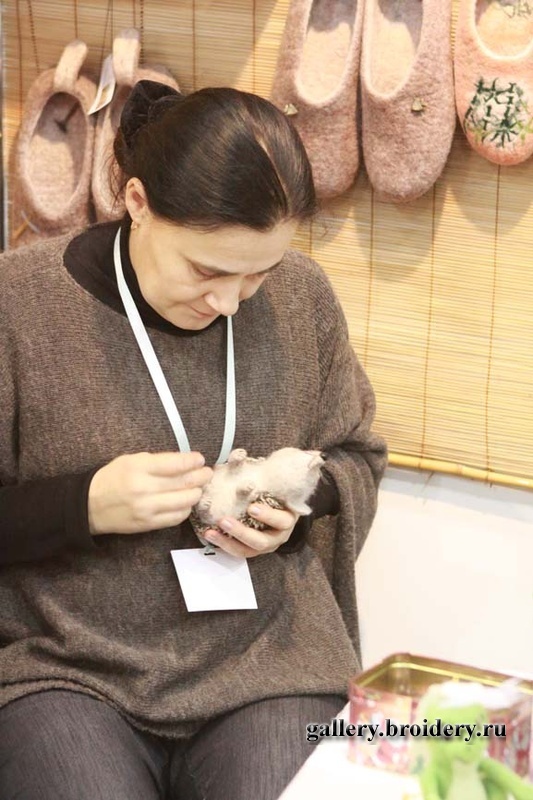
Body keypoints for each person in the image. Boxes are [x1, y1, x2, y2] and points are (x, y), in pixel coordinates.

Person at [0, 80, 387, 800]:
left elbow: (356, 455)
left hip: (268, 663)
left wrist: (295, 514)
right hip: (67, 669)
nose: (229, 301)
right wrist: (82, 505)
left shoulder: (303, 296)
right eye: (206, 270)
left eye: (259, 273)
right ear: (138, 202)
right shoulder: (18, 305)